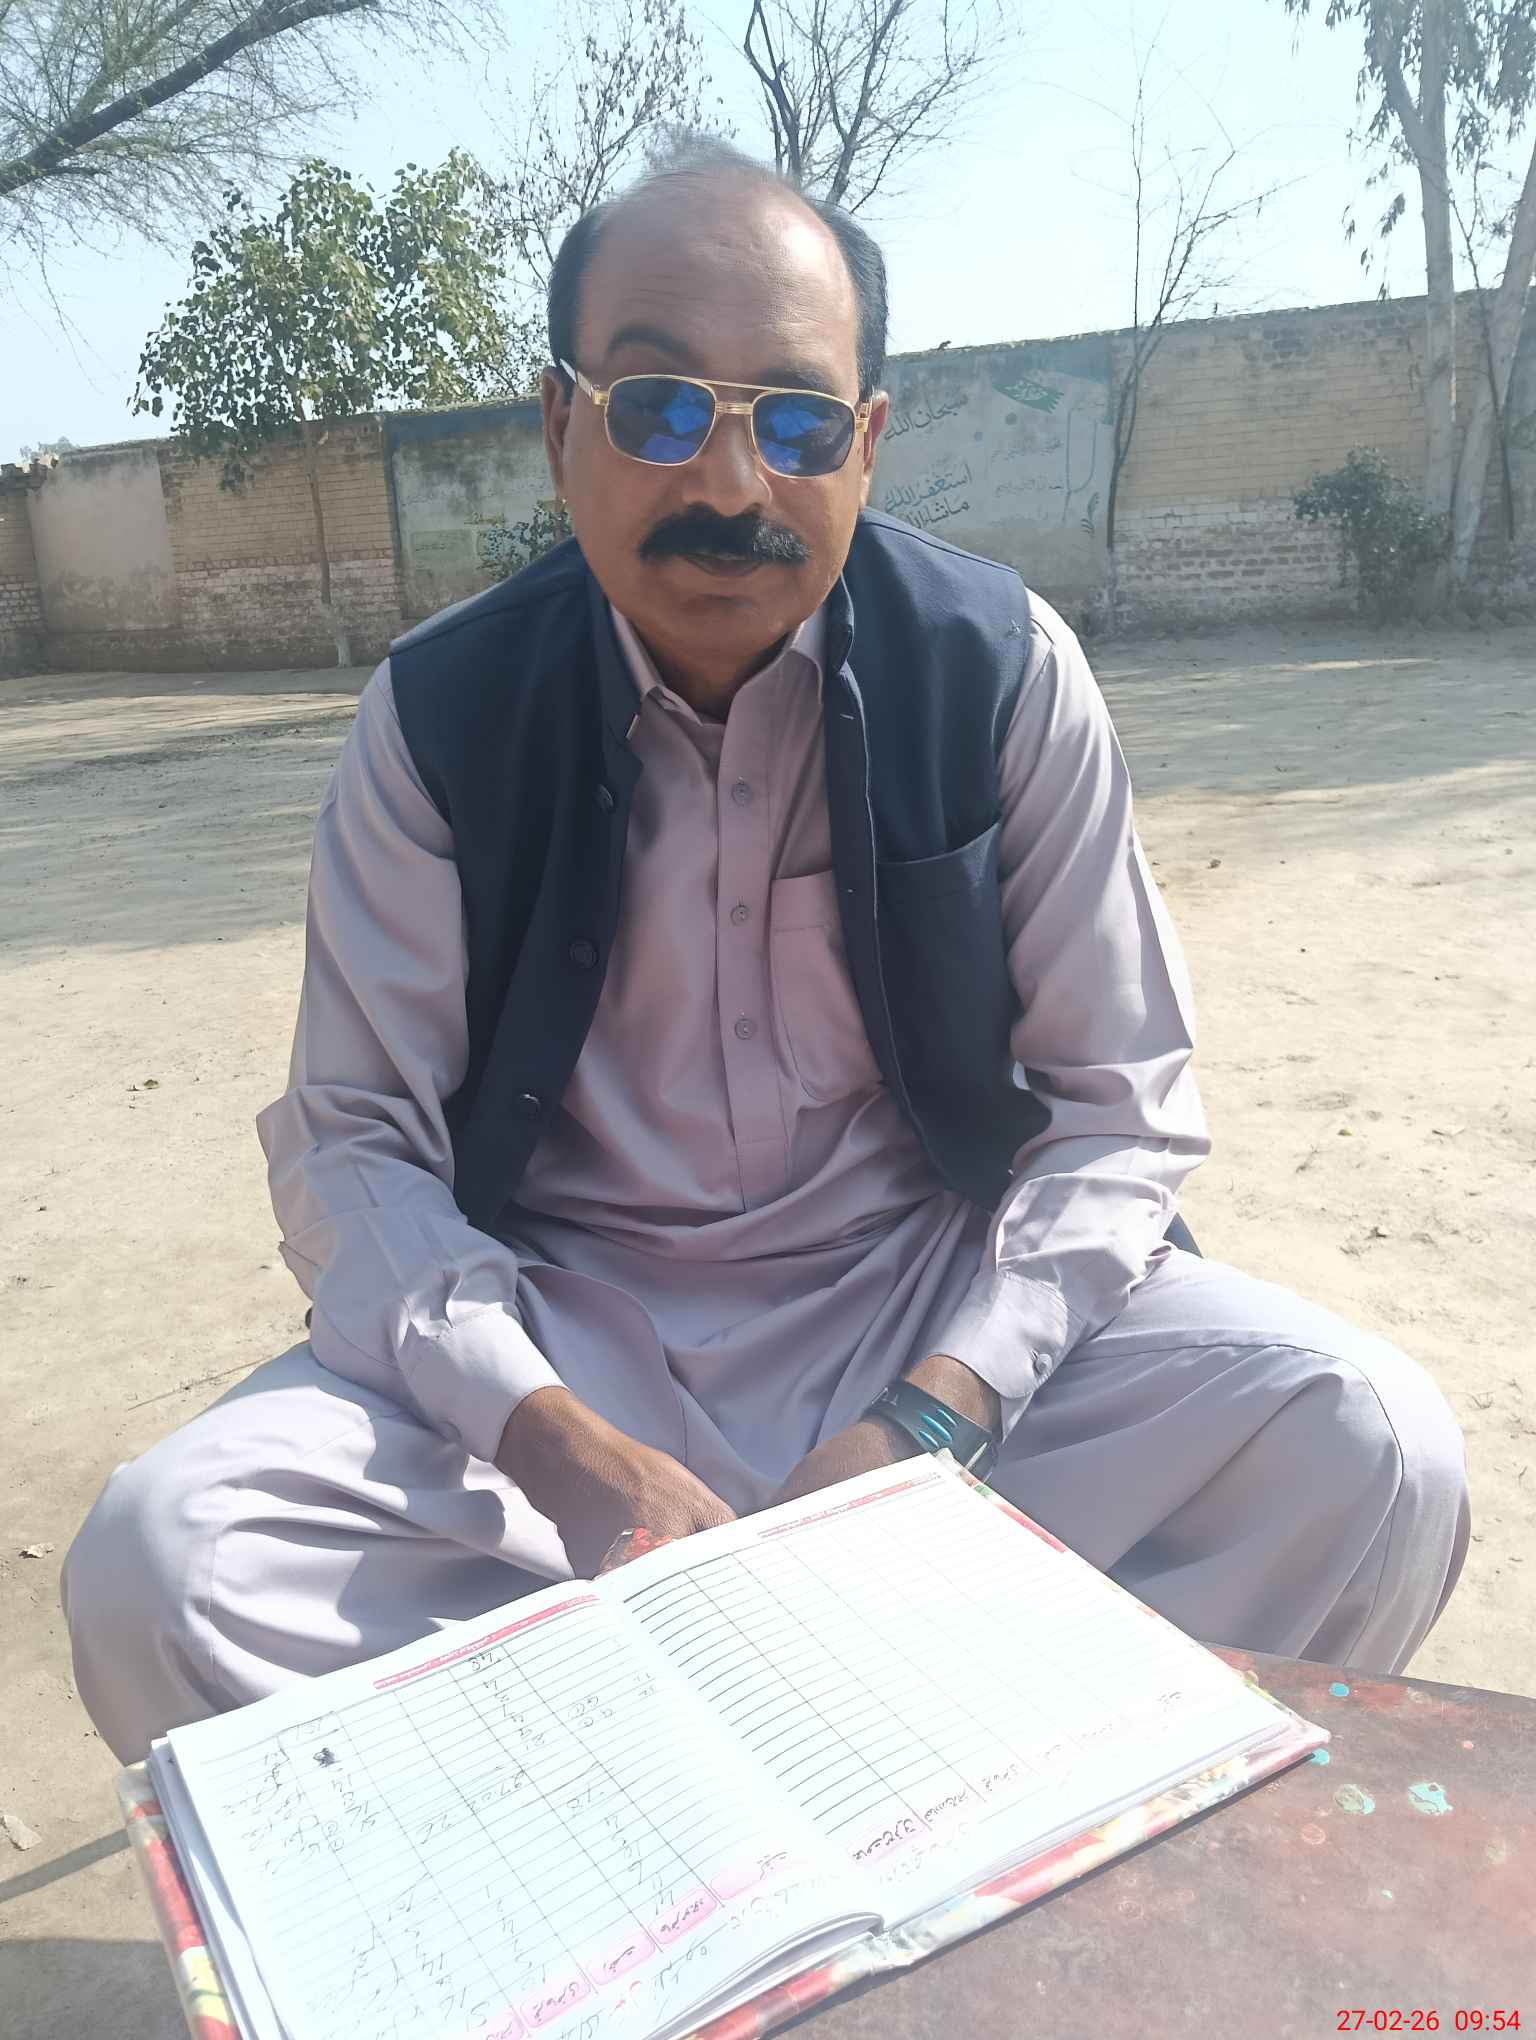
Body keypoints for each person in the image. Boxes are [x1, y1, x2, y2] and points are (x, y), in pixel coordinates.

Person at [63, 142, 1468, 1764]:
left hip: (924, 1304)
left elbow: (1120, 1111)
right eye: (658, 408)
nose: (730, 488)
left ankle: (970, 1811)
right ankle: (645, 1857)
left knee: (1369, 1449)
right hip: (556, 1327)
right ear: (558, 425)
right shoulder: (440, 715)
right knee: (165, 1569)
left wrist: (934, 1413)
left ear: (866, 445)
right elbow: (356, 1145)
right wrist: (556, 1444)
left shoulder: (1000, 673)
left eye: (795, 423)